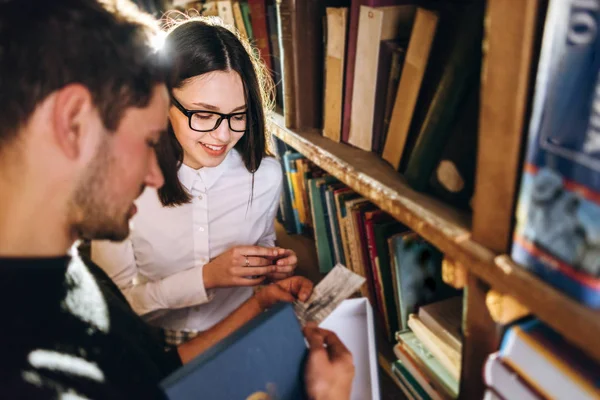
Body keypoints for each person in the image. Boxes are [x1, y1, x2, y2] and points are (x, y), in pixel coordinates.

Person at [0, 0, 354, 399]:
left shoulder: (74, 278)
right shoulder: (32, 374)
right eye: (148, 140)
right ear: (73, 122)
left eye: (236, 116)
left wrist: (256, 306)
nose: (155, 174)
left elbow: (152, 376)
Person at [91, 16, 298, 346]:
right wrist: (205, 278)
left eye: (238, 115)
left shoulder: (266, 176)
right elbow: (114, 307)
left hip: (246, 328)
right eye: (204, 114)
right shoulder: (120, 185)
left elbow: (264, 238)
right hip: (153, 344)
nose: (223, 134)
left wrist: (268, 262)